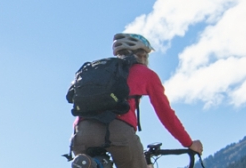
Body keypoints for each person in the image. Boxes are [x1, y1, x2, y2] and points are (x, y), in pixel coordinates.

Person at [69, 33, 203, 168]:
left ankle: (94, 163)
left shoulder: (99, 71)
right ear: (142, 55)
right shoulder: (146, 74)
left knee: (96, 164)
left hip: (82, 133)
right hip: (120, 133)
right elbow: (165, 113)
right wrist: (189, 143)